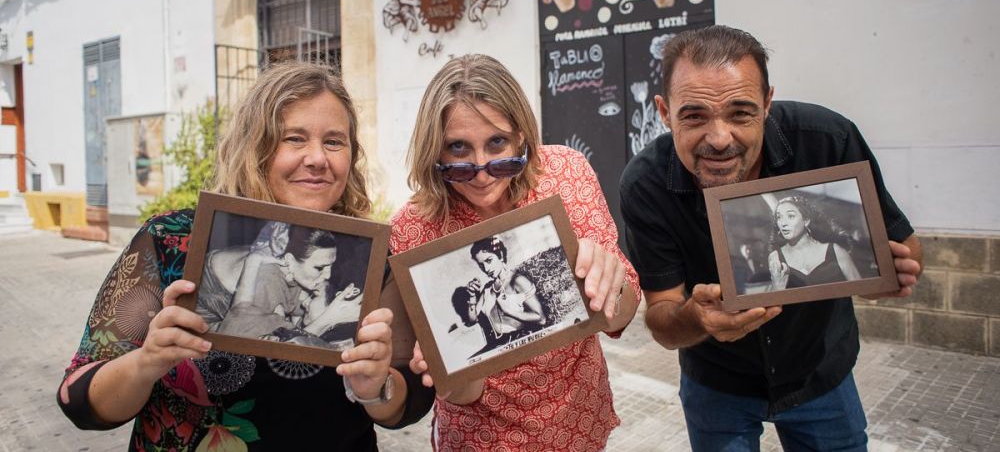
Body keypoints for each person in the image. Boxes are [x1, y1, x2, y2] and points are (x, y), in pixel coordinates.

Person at [57, 62, 433, 451]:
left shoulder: (370, 260)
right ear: (256, 146)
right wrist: (146, 362)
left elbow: (409, 403)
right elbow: (78, 402)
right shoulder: (170, 240)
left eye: (334, 141)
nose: (317, 158)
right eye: (294, 138)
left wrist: (376, 388)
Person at [619, 25, 923, 451]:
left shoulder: (826, 141)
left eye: (740, 113)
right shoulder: (647, 184)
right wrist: (696, 319)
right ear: (665, 112)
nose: (719, 139)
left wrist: (887, 275)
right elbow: (663, 319)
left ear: (767, 104)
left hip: (821, 372)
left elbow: (905, 248)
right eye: (694, 116)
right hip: (717, 383)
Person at [390, 53, 641, 451]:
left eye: (497, 142)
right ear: (434, 150)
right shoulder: (414, 228)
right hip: (480, 439)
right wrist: (449, 370)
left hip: (579, 422)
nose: (481, 169)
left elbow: (620, 316)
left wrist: (613, 283)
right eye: (458, 148)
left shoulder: (567, 174)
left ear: (521, 134)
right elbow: (462, 390)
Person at [213, 226, 363, 348]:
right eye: (319, 268)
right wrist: (327, 319)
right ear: (290, 260)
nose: (328, 275)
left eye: (330, 266)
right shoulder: (268, 281)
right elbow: (234, 342)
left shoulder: (303, 283)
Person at [453, 236, 547, 356]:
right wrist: (472, 296)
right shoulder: (488, 288)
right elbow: (473, 319)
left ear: (500, 256)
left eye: (489, 260)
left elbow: (541, 319)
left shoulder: (517, 281)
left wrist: (508, 311)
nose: (486, 269)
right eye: (481, 265)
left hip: (520, 341)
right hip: (498, 344)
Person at [767, 195, 864, 290]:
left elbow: (861, 291)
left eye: (790, 216)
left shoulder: (836, 251)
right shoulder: (775, 258)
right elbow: (777, 298)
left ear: (806, 220)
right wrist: (778, 286)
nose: (783, 223)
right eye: (779, 217)